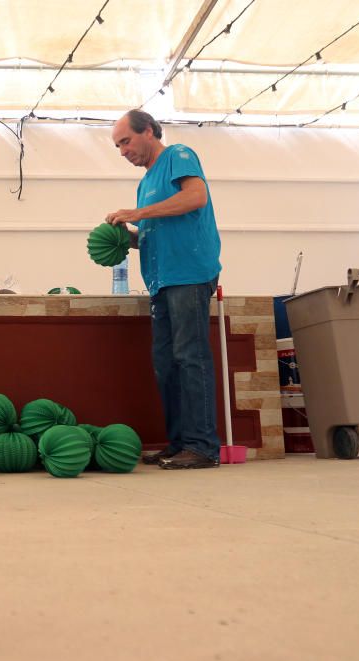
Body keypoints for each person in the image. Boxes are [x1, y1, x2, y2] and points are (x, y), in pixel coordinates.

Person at [105, 109, 222, 470]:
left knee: (190, 357)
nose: (123, 151)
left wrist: (138, 214)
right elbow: (157, 231)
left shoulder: (178, 156)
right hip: (161, 280)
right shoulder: (145, 184)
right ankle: (179, 444)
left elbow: (195, 198)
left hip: (188, 273)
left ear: (150, 132)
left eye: (126, 141)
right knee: (166, 365)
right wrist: (126, 239)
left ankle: (203, 447)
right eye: (117, 146)